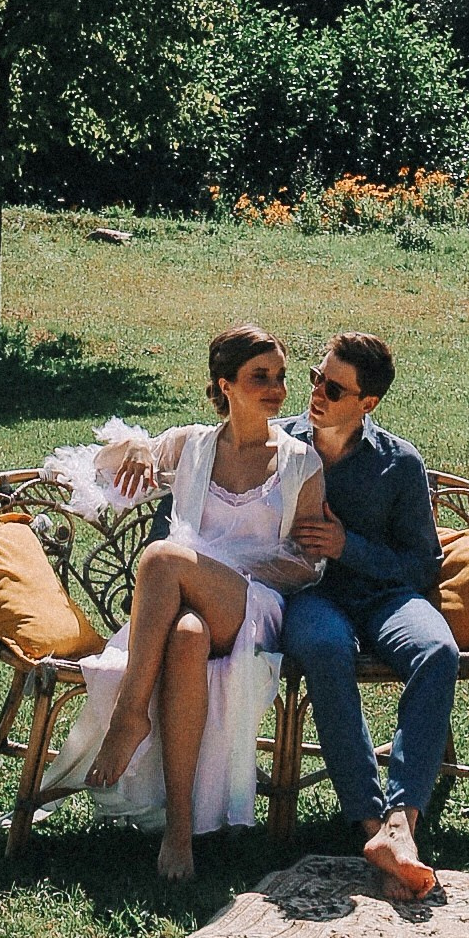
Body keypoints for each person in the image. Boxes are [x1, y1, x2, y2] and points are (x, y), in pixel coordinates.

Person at [41, 326, 321, 881]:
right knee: (186, 636)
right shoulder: (191, 445)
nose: (276, 389)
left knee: (162, 559)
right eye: (259, 377)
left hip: (254, 606)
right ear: (226, 384)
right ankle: (180, 835)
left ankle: (130, 715)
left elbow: (310, 564)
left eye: (280, 377)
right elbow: (83, 471)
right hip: (186, 611)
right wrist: (140, 452)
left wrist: (233, 572)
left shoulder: (299, 464)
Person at [279, 331, 456, 900]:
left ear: (367, 404)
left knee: (438, 651)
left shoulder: (399, 464)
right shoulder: (277, 446)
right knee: (328, 650)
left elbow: (420, 565)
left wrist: (346, 545)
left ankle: (403, 819)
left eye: (334, 388)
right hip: (310, 597)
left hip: (383, 597)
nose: (317, 394)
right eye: (315, 378)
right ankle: (372, 826)